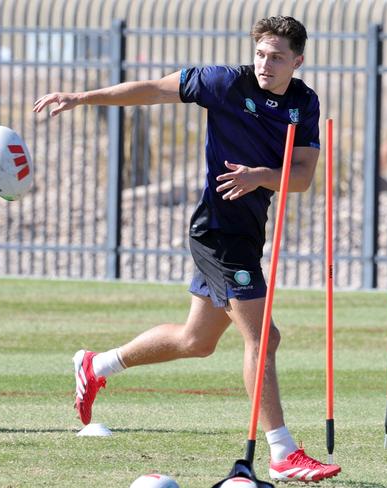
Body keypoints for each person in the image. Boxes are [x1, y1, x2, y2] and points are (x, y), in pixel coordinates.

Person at [33, 15, 340, 483]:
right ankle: (283, 452)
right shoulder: (224, 83)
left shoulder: (304, 102)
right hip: (217, 231)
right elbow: (153, 90)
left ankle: (97, 365)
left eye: (277, 57)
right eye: (260, 53)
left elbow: (301, 177)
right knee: (263, 338)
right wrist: (81, 97)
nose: (265, 64)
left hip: (247, 231)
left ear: (298, 60)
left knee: (196, 342)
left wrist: (260, 176)